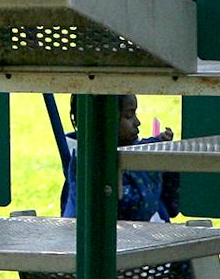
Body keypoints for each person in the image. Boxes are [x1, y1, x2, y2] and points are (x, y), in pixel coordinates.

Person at [60, 93, 180, 221]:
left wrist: (157, 146)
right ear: (104, 121)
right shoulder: (91, 169)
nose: (137, 122)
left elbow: (171, 205)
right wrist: (153, 171)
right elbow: (138, 210)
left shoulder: (127, 149)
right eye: (129, 115)